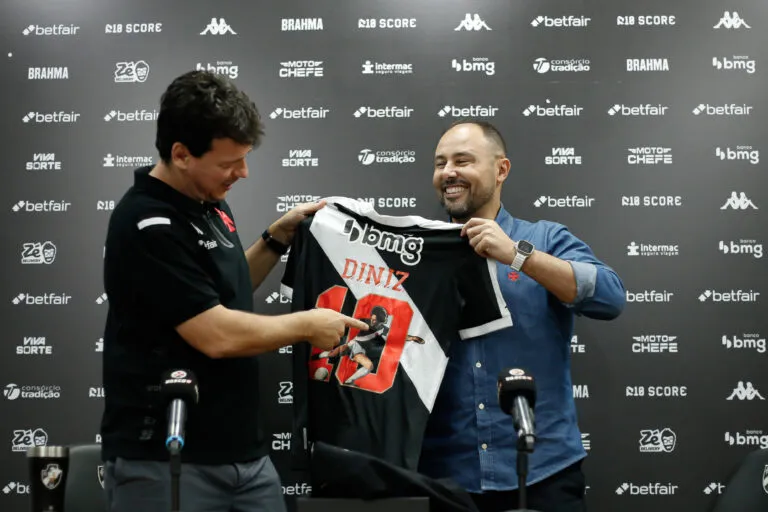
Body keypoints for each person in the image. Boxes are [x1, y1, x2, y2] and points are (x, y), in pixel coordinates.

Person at [99, 70, 367, 512]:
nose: (242, 173)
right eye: (228, 163)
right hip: (167, 459)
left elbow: (219, 288)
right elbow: (215, 333)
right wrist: (306, 325)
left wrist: (276, 238)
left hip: (246, 456)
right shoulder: (146, 223)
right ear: (181, 154)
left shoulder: (208, 202)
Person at [418, 120, 627, 512]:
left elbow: (610, 297)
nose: (448, 172)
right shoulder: (416, 255)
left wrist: (517, 254)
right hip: (448, 477)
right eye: (440, 163)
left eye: (463, 160)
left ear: (501, 170)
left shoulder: (544, 238)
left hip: (544, 472)